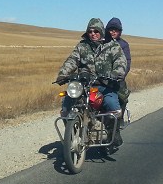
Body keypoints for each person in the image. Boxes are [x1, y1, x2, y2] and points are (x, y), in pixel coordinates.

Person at [55, 18, 127, 148]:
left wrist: (116, 73)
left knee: (112, 105)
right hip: (84, 84)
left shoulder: (113, 46)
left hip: (105, 84)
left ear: (102, 32)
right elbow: (72, 60)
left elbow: (120, 61)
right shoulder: (82, 46)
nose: (93, 34)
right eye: (90, 31)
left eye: (96, 31)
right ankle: (73, 132)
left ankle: (113, 133)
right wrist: (63, 74)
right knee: (67, 102)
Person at [104, 17, 131, 120]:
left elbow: (127, 61)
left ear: (120, 31)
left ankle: (119, 120)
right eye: (111, 29)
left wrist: (120, 75)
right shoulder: (102, 42)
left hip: (117, 78)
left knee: (122, 97)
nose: (113, 32)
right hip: (101, 77)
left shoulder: (123, 45)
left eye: (116, 30)